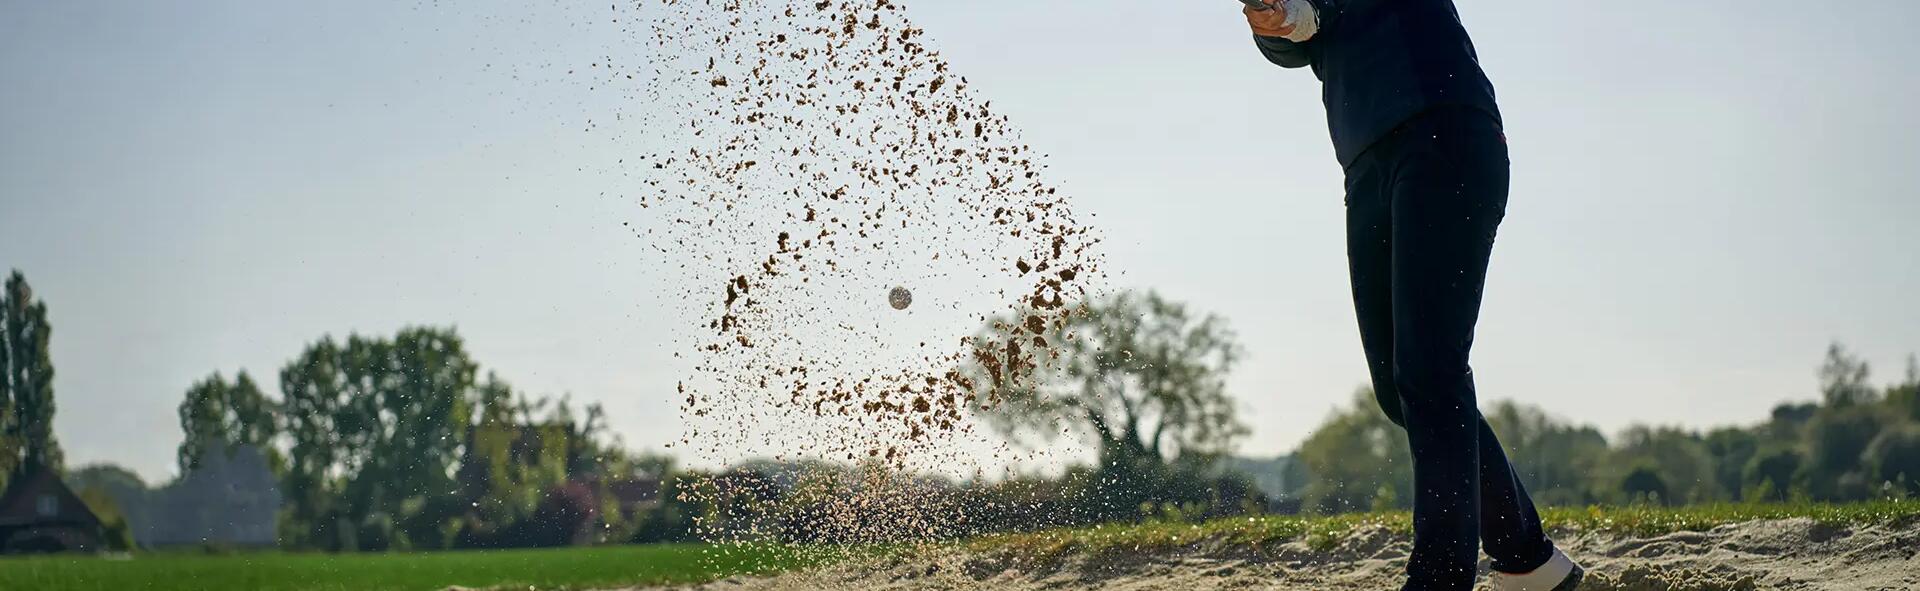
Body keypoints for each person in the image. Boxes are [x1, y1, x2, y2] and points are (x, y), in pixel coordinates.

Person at [1240, 1, 1583, 590]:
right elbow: (1300, 43)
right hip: (1367, 157)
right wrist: (1274, 26)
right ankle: (1527, 559)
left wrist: (1311, 8)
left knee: (1430, 370)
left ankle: (1440, 578)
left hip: (1441, 127)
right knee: (1400, 386)